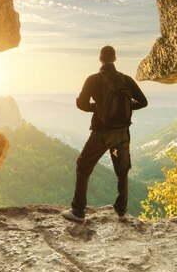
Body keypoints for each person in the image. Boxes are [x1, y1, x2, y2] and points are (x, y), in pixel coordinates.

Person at [62, 45, 148, 223]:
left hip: (101, 134)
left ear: (100, 58)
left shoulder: (93, 79)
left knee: (83, 166)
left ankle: (78, 212)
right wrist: (124, 109)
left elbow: (82, 104)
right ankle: (122, 211)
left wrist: (97, 108)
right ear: (115, 59)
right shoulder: (126, 79)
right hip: (122, 134)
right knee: (122, 171)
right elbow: (143, 102)